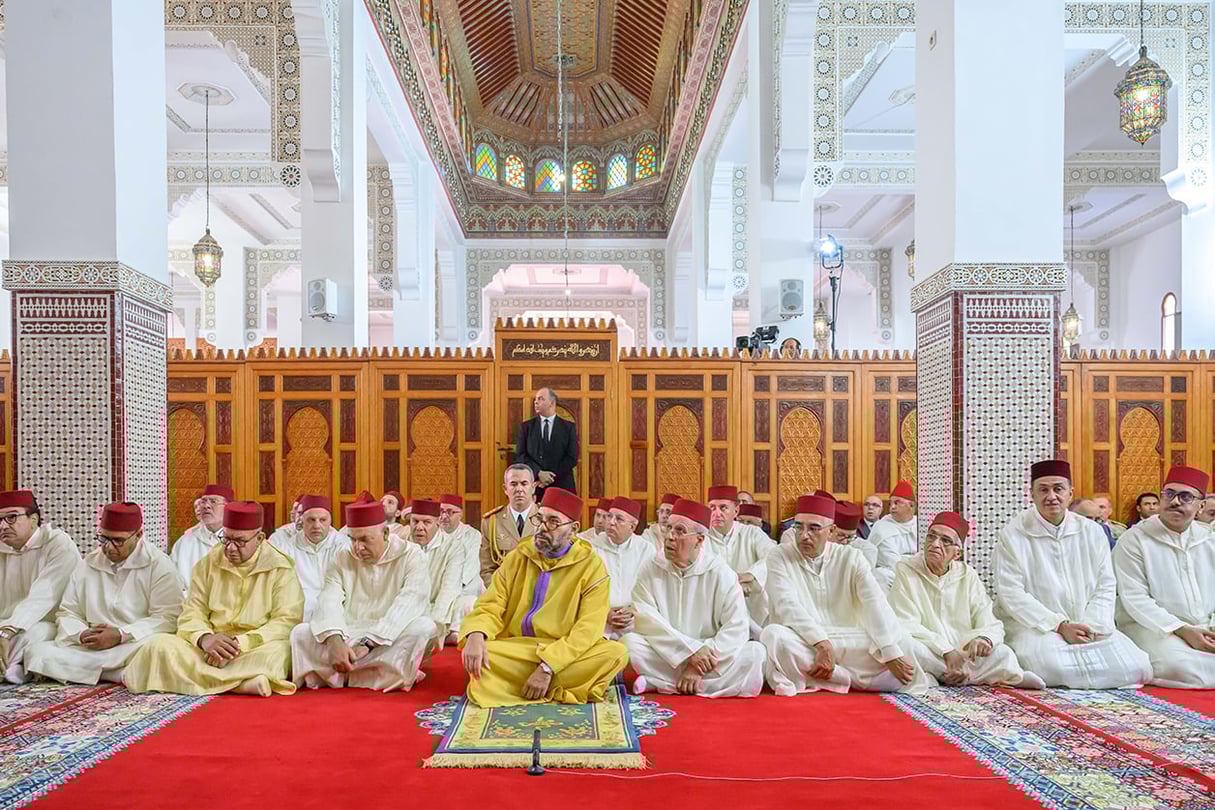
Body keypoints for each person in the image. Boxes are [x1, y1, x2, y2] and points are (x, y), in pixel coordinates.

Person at [459, 487, 628, 707]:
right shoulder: (519, 555)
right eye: (540, 519)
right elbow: (492, 603)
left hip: (562, 648)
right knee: (476, 651)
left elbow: (588, 629)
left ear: (574, 529)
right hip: (517, 646)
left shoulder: (592, 567)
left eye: (553, 522)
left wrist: (548, 667)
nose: (541, 528)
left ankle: (524, 684)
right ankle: (560, 687)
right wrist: (476, 633)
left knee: (616, 654)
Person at [994, 460, 1152, 689]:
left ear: (1070, 493)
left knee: (1137, 666)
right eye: (1043, 489)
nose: (1051, 496)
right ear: (1032, 494)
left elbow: (1106, 584)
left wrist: (1092, 623)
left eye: (1058, 489)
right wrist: (1059, 625)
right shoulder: (1013, 535)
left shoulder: (1092, 531)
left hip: (1087, 623)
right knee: (1049, 666)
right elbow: (1011, 593)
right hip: (1037, 626)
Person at [125, 501, 304, 697]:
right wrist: (205, 638)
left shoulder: (280, 569)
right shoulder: (208, 564)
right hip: (209, 646)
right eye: (226, 539)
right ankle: (241, 684)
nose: (231, 548)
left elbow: (286, 621)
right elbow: (193, 611)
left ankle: (205, 680)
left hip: (252, 647)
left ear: (260, 538)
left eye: (240, 541)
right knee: (158, 646)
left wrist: (239, 644)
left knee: (280, 653)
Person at [761, 494, 928, 695]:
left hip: (848, 638)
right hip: (806, 641)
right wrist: (821, 643)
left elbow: (874, 602)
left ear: (831, 531)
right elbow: (786, 605)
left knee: (900, 641)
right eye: (798, 527)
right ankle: (845, 678)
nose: (804, 535)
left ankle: (827, 676)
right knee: (773, 636)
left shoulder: (852, 557)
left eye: (813, 528)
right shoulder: (779, 555)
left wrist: (889, 652)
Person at [26, 503, 182, 685]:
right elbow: (69, 612)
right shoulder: (88, 563)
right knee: (36, 651)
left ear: (138, 535)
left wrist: (121, 634)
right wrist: (81, 634)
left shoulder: (159, 565)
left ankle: (94, 673)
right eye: (103, 539)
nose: (108, 547)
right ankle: (118, 674)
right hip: (92, 647)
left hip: (132, 643)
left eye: (118, 541)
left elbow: (168, 618)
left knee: (159, 647)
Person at [291, 500, 435, 691]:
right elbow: (328, 599)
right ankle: (376, 674)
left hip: (387, 636)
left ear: (385, 533)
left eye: (365, 539)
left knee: (424, 628)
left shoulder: (412, 556)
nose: (358, 547)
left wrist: (370, 642)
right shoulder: (342, 556)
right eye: (353, 539)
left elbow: (409, 603)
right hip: (348, 632)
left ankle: (339, 675)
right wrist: (334, 640)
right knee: (299, 633)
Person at [625, 499, 764, 698]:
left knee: (755, 653)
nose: (670, 537)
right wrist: (690, 652)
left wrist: (697, 665)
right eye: (668, 528)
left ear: (699, 540)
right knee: (630, 643)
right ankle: (711, 686)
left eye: (680, 531)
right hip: (670, 650)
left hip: (710, 653)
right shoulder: (651, 566)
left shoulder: (720, 572)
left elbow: (736, 627)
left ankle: (662, 682)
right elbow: (646, 618)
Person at [888, 512, 1043, 689]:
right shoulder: (906, 569)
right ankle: (968, 675)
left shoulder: (967, 575)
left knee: (1002, 652)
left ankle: (944, 675)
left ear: (957, 553)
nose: (935, 544)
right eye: (931, 537)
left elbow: (989, 619)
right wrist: (945, 650)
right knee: (903, 644)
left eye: (945, 541)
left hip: (963, 653)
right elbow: (904, 622)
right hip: (929, 649)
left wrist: (983, 638)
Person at [1113, 465, 1215, 688]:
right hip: (1153, 628)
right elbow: (1134, 598)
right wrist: (1181, 629)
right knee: (1181, 666)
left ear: (1201, 505)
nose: (1175, 501)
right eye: (1169, 494)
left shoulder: (1208, 538)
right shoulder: (1135, 539)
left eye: (1185, 496)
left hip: (1205, 626)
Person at [0, 489, 81, 684]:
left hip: (48, 623)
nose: (2, 526)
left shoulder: (57, 544)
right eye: (0, 519)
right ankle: (14, 669)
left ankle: (12, 669)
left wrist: (7, 630)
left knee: (29, 636)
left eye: (11, 517)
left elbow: (44, 596)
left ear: (34, 519)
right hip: (5, 624)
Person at [706, 485, 775, 638]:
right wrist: (733, 585)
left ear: (736, 511)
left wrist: (751, 576)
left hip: (751, 601)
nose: (716, 513)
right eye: (712, 508)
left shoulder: (752, 533)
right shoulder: (701, 537)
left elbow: (773, 556)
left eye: (723, 508)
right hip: (715, 603)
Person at [270, 495, 349, 620]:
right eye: (311, 520)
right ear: (303, 521)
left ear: (330, 521)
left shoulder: (343, 546)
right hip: (297, 612)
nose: (317, 525)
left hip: (337, 610)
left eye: (322, 520)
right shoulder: (287, 548)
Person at [589, 497, 656, 639]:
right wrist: (605, 613)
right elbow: (585, 589)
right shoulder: (592, 548)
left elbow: (653, 590)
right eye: (609, 516)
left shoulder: (645, 550)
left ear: (632, 527)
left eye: (619, 519)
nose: (611, 522)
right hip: (599, 619)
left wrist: (633, 610)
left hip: (635, 620)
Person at [407, 499, 464, 645]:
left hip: (440, 608)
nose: (419, 527)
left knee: (467, 603)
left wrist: (434, 625)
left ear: (438, 523)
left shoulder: (454, 546)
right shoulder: (402, 544)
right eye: (415, 521)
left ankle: (442, 633)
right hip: (410, 607)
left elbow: (449, 589)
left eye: (426, 522)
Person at [479, 464, 539, 586]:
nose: (519, 489)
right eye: (513, 484)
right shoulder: (491, 522)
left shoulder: (546, 520)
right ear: (505, 489)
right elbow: (487, 569)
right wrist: (499, 593)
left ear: (533, 487)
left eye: (524, 483)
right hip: (502, 590)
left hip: (537, 592)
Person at [514, 387, 578, 494]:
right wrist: (539, 473)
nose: (536, 402)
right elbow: (520, 455)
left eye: (540, 399)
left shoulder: (568, 427)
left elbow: (572, 457)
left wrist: (549, 478)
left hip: (562, 485)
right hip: (535, 484)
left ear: (551, 403)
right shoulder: (526, 427)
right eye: (535, 399)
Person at [437, 494, 483, 639]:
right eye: (441, 511)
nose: (444, 516)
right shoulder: (434, 533)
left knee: (466, 603)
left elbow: (470, 567)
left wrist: (451, 589)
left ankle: (453, 631)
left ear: (460, 514)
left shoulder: (472, 535)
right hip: (439, 586)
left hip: (465, 586)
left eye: (450, 512)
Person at [170, 484, 234, 586]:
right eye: (203, 501)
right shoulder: (185, 543)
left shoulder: (240, 541)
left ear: (228, 507)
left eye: (213, 501)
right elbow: (173, 581)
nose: (206, 506)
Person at [870, 481, 917, 588]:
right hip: (892, 574)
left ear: (911, 505)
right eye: (890, 503)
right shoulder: (882, 527)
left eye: (897, 502)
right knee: (883, 576)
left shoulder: (919, 524)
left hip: (917, 571)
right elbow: (892, 561)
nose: (892, 507)